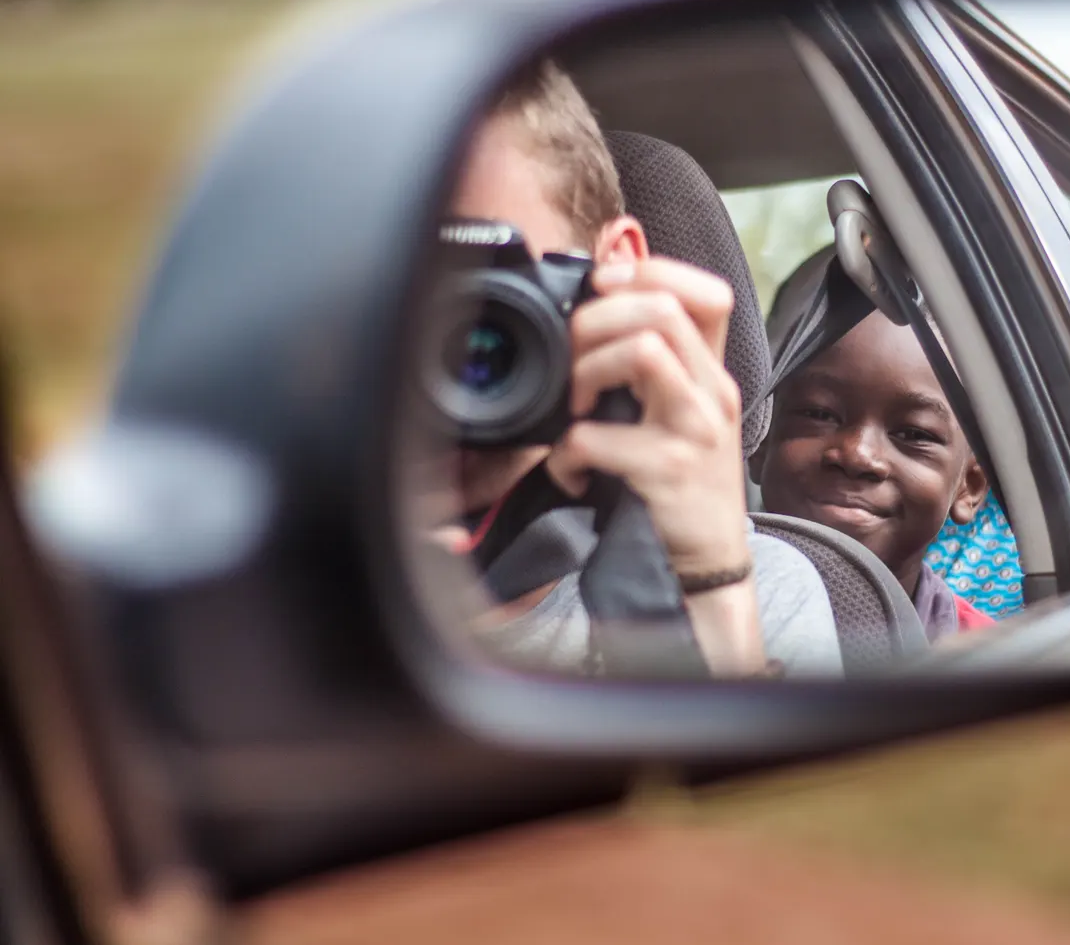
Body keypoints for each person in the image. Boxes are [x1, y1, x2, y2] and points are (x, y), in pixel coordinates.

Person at [424, 61, 842, 678]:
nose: (426, 357)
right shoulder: (263, 572)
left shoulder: (759, 590)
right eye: (375, 304)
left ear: (613, 275)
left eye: (482, 297)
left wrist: (706, 599)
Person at [755, 309, 995, 643]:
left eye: (913, 434)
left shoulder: (988, 661)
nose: (857, 455)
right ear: (760, 441)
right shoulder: (669, 602)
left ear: (969, 486)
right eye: (819, 413)